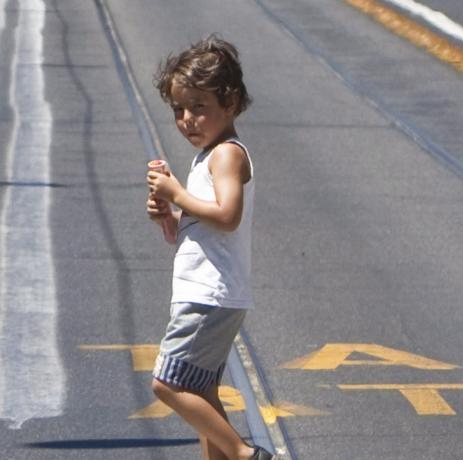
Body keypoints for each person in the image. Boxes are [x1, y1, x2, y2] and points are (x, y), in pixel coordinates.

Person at [146, 35, 274, 460]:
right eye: (179, 109)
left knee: (168, 384)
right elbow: (205, 224)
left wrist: (177, 194)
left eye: (199, 106)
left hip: (209, 294)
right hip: (207, 290)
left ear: (230, 103)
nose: (187, 119)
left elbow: (228, 214)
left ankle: (244, 454)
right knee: (201, 390)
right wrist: (170, 216)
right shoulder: (210, 156)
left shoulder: (227, 156)